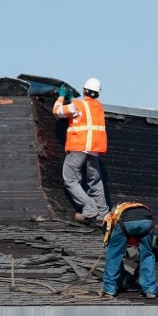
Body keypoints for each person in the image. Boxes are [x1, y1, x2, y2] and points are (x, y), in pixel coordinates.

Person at [53, 78, 109, 224]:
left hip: (79, 147)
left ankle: (90, 208)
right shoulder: (98, 107)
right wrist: (72, 99)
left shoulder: (77, 105)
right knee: (95, 181)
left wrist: (61, 96)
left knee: (70, 179)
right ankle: (103, 213)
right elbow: (85, 114)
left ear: (84, 90)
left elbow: (57, 111)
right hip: (94, 150)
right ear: (97, 94)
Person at [101, 202, 158, 298]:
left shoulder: (108, 219)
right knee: (147, 255)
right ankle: (150, 289)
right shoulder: (132, 206)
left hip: (125, 222)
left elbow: (109, 239)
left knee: (114, 255)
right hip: (147, 221)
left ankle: (109, 289)